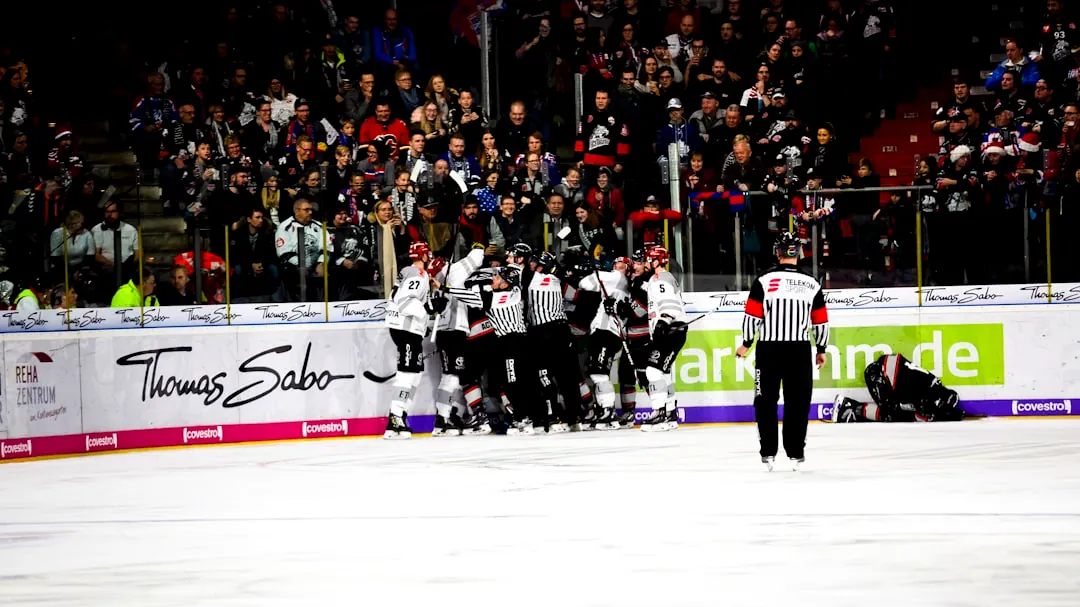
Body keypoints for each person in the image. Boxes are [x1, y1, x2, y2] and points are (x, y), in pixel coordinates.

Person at [737, 232, 830, 471]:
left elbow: (752, 316)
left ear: (777, 252)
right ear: (797, 252)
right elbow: (820, 321)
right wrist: (821, 348)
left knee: (765, 400)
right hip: (799, 350)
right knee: (798, 401)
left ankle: (768, 453)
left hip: (769, 349)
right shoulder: (812, 283)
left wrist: (746, 343)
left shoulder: (763, 280)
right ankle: (796, 452)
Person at [517, 246, 584, 432]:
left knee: (544, 375)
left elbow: (521, 275)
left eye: (535, 263)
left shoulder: (530, 277)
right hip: (562, 330)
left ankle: (552, 417)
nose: (532, 265)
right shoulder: (558, 280)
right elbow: (576, 296)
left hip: (542, 331)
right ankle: (574, 418)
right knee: (567, 376)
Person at [384, 241, 446, 440]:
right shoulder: (417, 274)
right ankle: (395, 418)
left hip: (408, 328)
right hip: (406, 328)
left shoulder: (412, 273)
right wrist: (429, 309)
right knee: (407, 373)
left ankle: (400, 415)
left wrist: (432, 302)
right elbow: (405, 301)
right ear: (424, 255)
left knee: (415, 374)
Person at [432, 246, 490, 436]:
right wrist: (478, 247)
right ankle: (444, 417)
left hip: (445, 332)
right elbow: (476, 258)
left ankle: (444, 418)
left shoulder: (431, 281)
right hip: (454, 331)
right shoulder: (454, 272)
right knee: (453, 376)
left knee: (455, 375)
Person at [635, 246, 687, 432]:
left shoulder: (660, 278)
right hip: (672, 330)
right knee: (664, 373)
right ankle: (671, 413)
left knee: (652, 370)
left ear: (656, 261)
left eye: (649, 260)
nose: (646, 264)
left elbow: (669, 304)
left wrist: (664, 321)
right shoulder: (659, 279)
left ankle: (658, 412)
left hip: (671, 330)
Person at [576, 256, 631, 430]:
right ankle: (605, 410)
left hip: (607, 331)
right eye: (615, 265)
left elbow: (585, 283)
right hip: (609, 332)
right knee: (597, 373)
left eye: (620, 266)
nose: (616, 269)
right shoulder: (627, 284)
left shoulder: (616, 277)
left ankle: (608, 411)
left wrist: (595, 269)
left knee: (599, 373)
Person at [832, 354, 965, 423]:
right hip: (879, 374)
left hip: (884, 373)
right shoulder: (928, 396)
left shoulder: (934, 386)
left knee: (894, 410)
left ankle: (852, 409)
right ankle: (849, 406)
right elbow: (919, 414)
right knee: (890, 413)